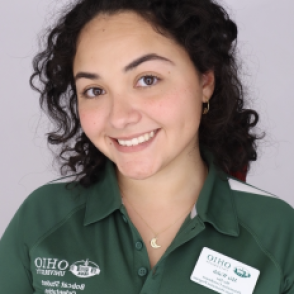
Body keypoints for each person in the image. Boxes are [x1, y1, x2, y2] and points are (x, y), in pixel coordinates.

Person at [0, 0, 293, 293]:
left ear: (205, 81)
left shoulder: (278, 232)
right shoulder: (42, 217)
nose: (120, 117)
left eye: (147, 79)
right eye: (95, 90)